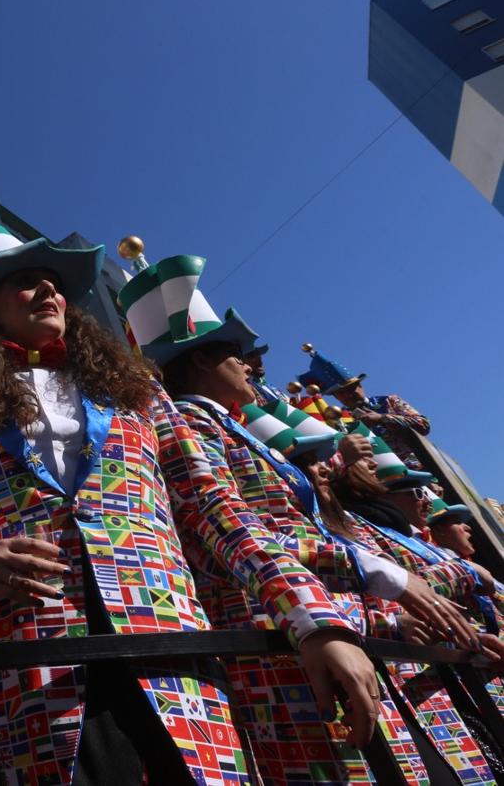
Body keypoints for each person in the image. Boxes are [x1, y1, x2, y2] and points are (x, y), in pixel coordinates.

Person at [0, 223, 358, 785]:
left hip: (167, 640)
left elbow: (213, 505)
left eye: (55, 283)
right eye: (26, 282)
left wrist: (311, 618)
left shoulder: (135, 390)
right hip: (23, 659)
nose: (49, 292)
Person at [136, 257, 459, 784]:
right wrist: (379, 584)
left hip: (330, 626)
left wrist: (381, 614)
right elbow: (233, 525)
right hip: (281, 640)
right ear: (199, 363)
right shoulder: (188, 421)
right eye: (235, 357)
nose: (248, 367)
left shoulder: (229, 428)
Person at [284, 435, 497, 785]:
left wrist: (467, 634)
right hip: (362, 696)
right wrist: (465, 572)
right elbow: (401, 589)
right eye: (413, 491)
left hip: (426, 688)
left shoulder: (358, 525)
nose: (425, 500)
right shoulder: (327, 525)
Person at [298, 344, 432, 471]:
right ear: (336, 397)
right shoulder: (341, 420)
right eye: (341, 393)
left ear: (360, 386)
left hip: (420, 468)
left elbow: (423, 424)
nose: (348, 395)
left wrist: (382, 418)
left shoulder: (390, 401)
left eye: (351, 388)